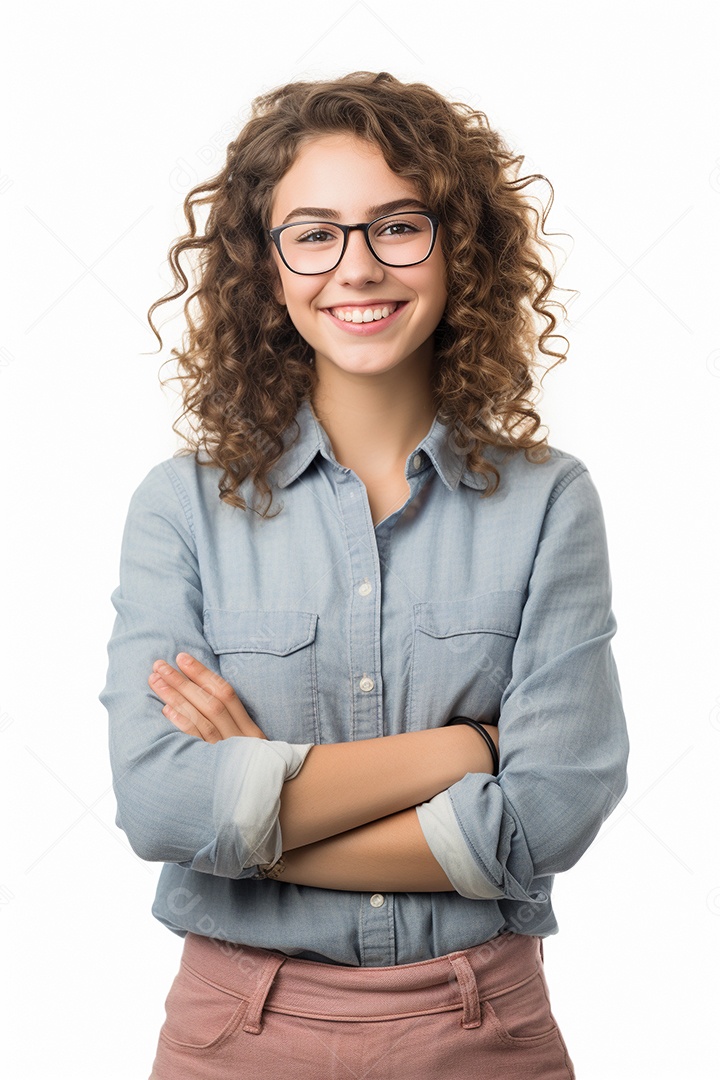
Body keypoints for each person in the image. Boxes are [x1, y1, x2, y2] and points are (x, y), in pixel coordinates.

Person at [99, 71, 630, 1080]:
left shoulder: (551, 503)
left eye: (397, 225)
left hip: (484, 1032)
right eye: (315, 232)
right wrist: (464, 750)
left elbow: (551, 812)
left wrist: (254, 815)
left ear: (459, 247)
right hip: (236, 1034)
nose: (357, 266)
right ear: (265, 267)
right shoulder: (181, 508)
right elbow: (161, 807)